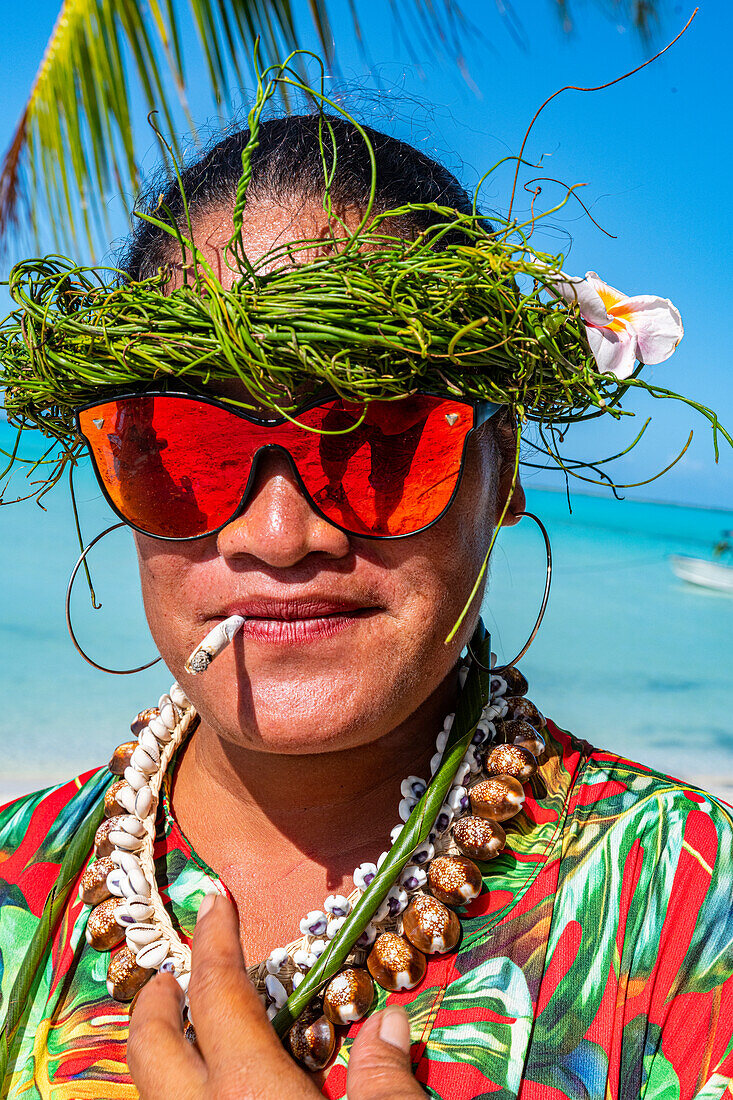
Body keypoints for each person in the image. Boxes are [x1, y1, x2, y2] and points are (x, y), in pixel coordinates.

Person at [1, 113, 732, 1100]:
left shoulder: (689, 913)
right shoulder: (17, 880)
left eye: (374, 432)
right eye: (182, 444)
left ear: (500, 462)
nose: (274, 531)